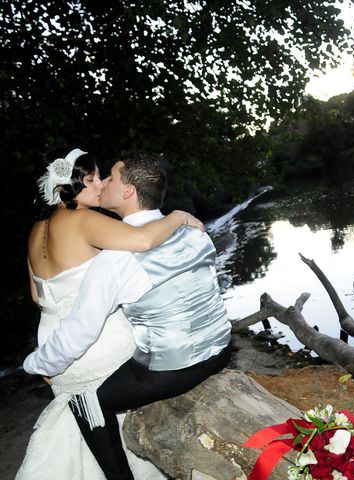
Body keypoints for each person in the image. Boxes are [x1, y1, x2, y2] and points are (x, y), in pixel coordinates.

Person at [23, 150, 232, 480]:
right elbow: (148, 242)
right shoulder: (195, 232)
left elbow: (41, 298)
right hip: (220, 347)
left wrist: (36, 364)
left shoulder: (54, 234)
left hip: (59, 332)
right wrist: (178, 215)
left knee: (89, 402)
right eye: (94, 178)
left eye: (107, 178)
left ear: (128, 191)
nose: (103, 182)